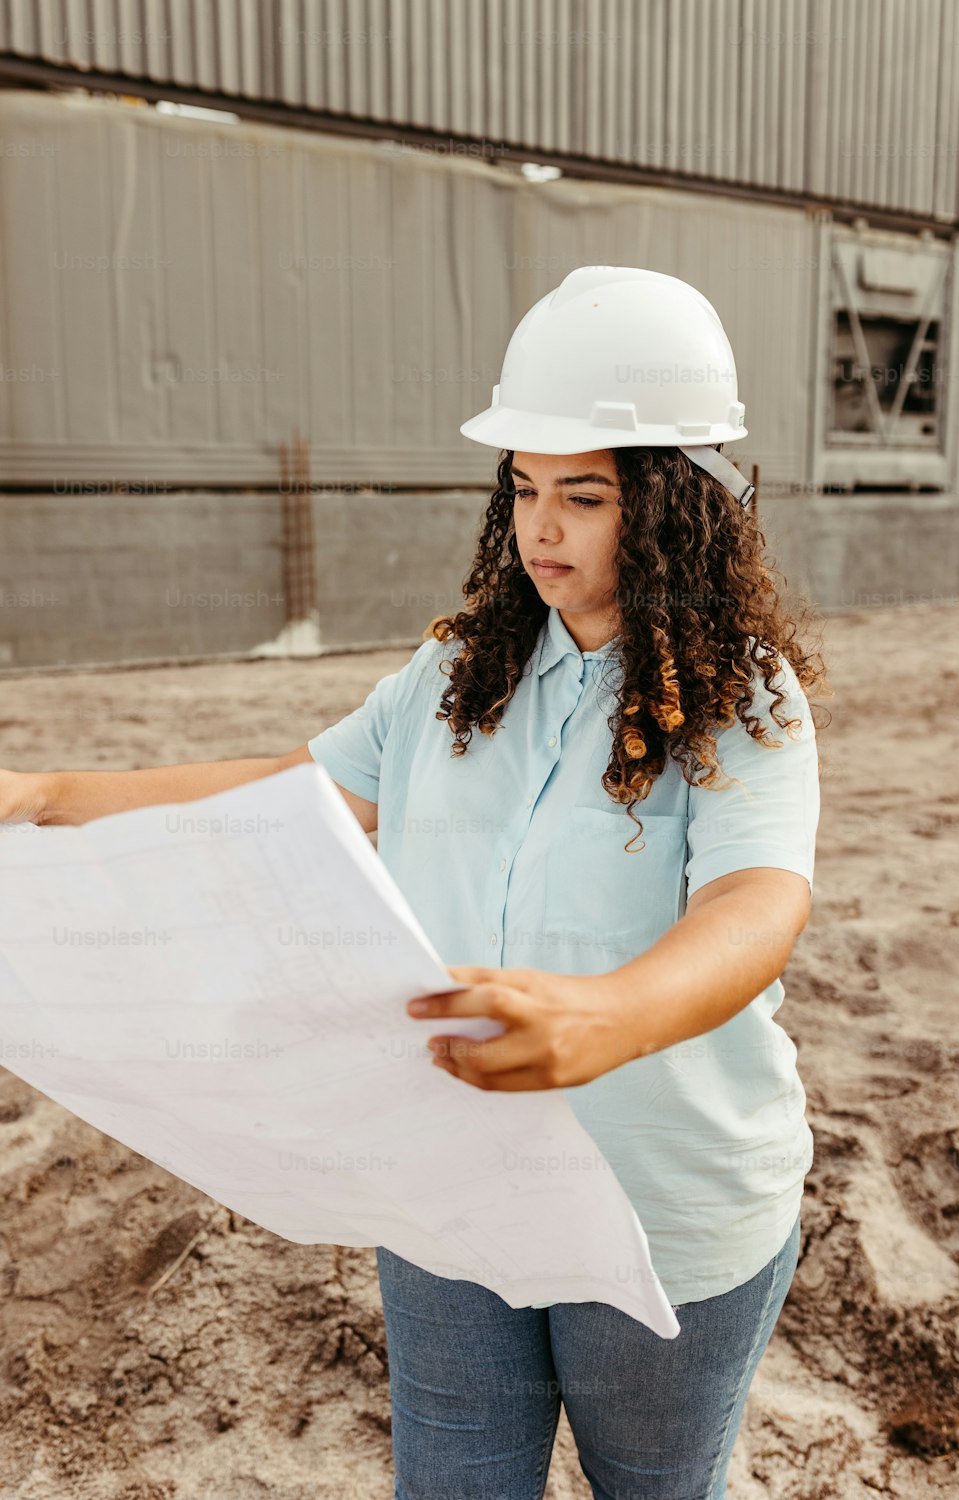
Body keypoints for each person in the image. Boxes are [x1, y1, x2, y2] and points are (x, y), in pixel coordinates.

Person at [0, 265, 830, 1500]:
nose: (542, 529)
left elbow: (756, 905)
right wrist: (52, 793)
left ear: (671, 505)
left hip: (675, 1206)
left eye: (585, 496)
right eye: (525, 489)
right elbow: (287, 798)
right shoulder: (454, 675)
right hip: (451, 1188)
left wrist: (609, 1017)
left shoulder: (745, 700)